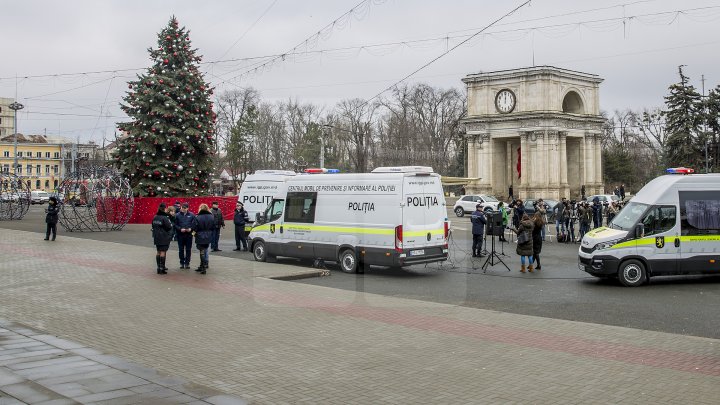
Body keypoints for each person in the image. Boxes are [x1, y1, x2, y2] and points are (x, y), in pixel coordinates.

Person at [151, 203, 173, 275]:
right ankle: (162, 268)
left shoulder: (155, 217)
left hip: (156, 236)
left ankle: (158, 267)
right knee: (163, 252)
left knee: (158, 251)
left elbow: (153, 226)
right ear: (164, 209)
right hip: (163, 236)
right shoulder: (164, 218)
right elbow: (169, 227)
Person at [192, 203, 215, 274]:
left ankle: (203, 267)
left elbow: (195, 227)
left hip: (200, 235)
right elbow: (213, 226)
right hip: (208, 235)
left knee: (201, 251)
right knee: (205, 250)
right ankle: (203, 265)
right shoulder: (211, 216)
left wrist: (193, 234)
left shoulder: (198, 217)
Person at [175, 202, 195, 269]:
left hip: (189, 235)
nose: (183, 209)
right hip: (180, 235)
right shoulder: (177, 215)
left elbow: (194, 224)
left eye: (184, 208)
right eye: (182, 208)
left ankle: (187, 263)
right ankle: (181, 262)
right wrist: (180, 229)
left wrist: (191, 229)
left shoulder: (192, 215)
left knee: (188, 249)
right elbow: (175, 225)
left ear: (187, 208)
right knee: (181, 249)